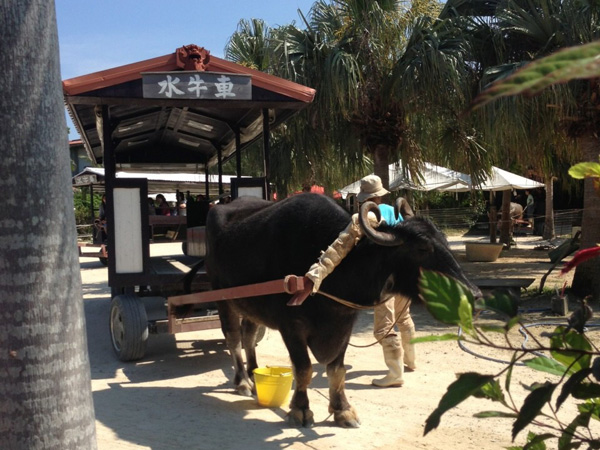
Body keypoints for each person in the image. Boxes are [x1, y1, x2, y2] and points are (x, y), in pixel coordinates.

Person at [356, 174, 416, 388]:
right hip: (405, 273)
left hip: (385, 279)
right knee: (404, 317)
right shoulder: (395, 212)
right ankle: (411, 361)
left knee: (384, 327)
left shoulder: (365, 218)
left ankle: (394, 374)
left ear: (365, 198)